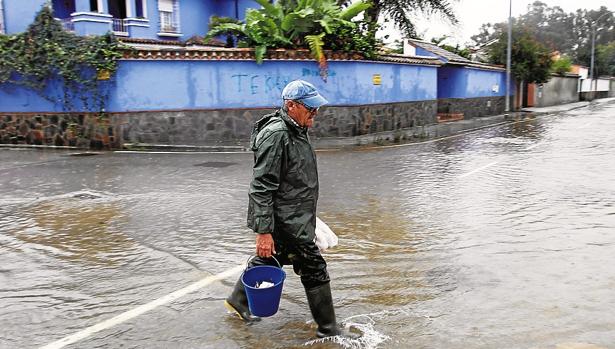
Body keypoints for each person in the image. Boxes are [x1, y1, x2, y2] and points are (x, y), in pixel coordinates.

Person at [224, 80, 351, 338]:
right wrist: (263, 232)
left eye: (316, 109)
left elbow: (294, 179)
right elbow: (261, 187)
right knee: (314, 267)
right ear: (291, 106)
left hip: (295, 215)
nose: (314, 114)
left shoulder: (296, 129)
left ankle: (238, 300)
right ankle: (328, 329)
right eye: (310, 109)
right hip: (286, 220)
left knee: (273, 258)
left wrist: (309, 215)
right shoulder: (277, 135)